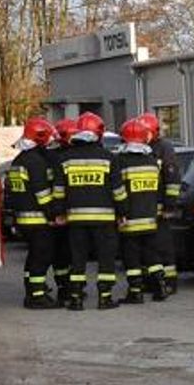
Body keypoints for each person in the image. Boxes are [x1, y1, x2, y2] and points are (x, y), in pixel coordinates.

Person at [55, 111, 127, 311]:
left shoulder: (65, 159)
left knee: (77, 259)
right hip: (104, 220)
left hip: (76, 220)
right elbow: (118, 191)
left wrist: (59, 213)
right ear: (99, 133)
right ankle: (104, 298)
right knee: (106, 259)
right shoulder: (108, 158)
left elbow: (59, 191)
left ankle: (76, 298)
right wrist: (122, 212)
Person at [6, 117, 60, 308]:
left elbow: (10, 194)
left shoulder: (18, 160)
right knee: (42, 256)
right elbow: (43, 194)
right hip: (38, 220)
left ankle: (32, 289)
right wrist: (53, 215)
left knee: (33, 256)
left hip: (23, 219)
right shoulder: (36, 162)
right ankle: (37, 296)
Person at [116, 119, 168, 304]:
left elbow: (118, 192)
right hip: (150, 219)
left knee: (132, 258)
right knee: (151, 254)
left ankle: (135, 292)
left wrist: (119, 214)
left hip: (129, 220)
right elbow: (159, 191)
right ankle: (161, 286)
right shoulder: (153, 162)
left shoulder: (121, 162)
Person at [138, 112, 182, 296]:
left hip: (160, 208)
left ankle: (169, 281)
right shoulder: (139, 148)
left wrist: (169, 206)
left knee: (163, 246)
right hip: (144, 209)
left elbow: (171, 180)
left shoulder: (164, 148)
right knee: (146, 247)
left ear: (154, 131)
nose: (142, 136)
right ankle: (151, 282)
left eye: (145, 132)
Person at [49, 118, 78, 306]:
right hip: (71, 212)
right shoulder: (74, 156)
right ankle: (72, 290)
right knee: (72, 253)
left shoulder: (50, 156)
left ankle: (64, 289)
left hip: (57, 213)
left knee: (60, 255)